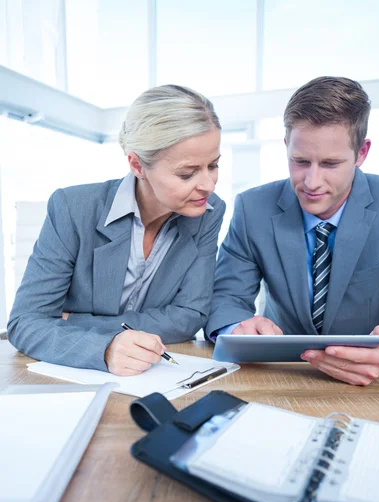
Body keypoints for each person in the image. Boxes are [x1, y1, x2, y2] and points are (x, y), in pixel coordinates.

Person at [8, 85, 225, 375]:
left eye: (213, 165)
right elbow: (26, 322)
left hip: (157, 372)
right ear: (137, 165)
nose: (208, 184)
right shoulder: (73, 207)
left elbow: (189, 317)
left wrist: (74, 321)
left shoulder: (209, 211)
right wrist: (106, 347)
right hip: (75, 376)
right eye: (187, 173)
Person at [206, 76, 379, 386]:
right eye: (299, 161)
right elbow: (226, 298)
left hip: (374, 378)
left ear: (361, 153)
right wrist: (236, 328)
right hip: (280, 375)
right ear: (286, 146)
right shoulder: (252, 208)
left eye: (330, 163)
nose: (311, 182)